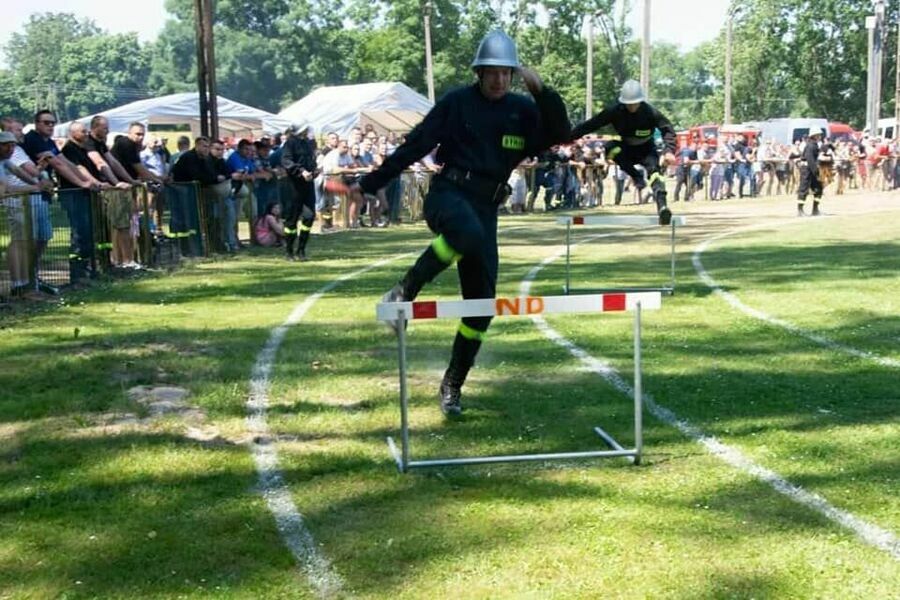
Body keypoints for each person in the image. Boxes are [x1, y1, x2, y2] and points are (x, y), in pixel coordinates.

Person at [349, 30, 569, 416]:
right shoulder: (456, 103)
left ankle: (452, 385)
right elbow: (415, 145)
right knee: (465, 233)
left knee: (481, 308)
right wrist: (369, 183)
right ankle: (404, 290)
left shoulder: (522, 109)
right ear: (478, 73)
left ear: (513, 76)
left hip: (487, 208)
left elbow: (560, 134)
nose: (499, 80)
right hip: (448, 195)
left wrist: (544, 93)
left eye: (506, 73)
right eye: (492, 73)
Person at [571, 80, 675, 224]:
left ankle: (662, 207)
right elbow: (592, 124)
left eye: (635, 103)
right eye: (628, 104)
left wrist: (669, 151)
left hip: (647, 149)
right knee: (610, 148)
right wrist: (568, 136)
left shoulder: (650, 112)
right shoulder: (614, 111)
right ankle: (637, 177)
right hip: (626, 147)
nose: (631, 107)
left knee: (656, 174)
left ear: (640, 101)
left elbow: (668, 129)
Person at [280, 123, 318, 261]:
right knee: (291, 220)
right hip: (293, 186)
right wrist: (301, 171)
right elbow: (286, 161)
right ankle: (289, 251)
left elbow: (311, 161)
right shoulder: (290, 143)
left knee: (309, 216)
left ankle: (301, 250)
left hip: (307, 186)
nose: (308, 131)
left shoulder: (307, 143)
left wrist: (314, 170)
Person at [797, 127, 824, 216]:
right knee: (803, 189)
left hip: (812, 169)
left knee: (818, 188)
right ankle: (800, 210)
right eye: (819, 135)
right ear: (814, 135)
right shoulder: (810, 146)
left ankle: (815, 209)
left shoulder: (814, 145)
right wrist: (816, 172)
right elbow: (810, 160)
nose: (820, 136)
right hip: (807, 170)